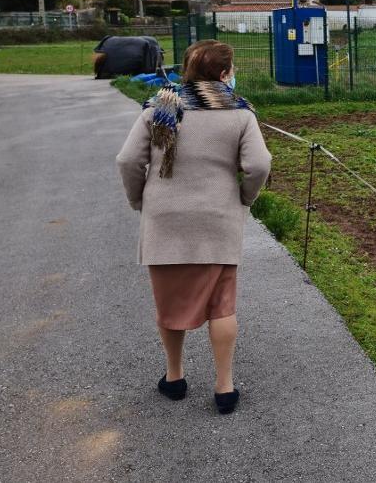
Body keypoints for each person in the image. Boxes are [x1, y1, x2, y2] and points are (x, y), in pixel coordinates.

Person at [116, 40, 271, 414]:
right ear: (223, 74)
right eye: (231, 70)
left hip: (164, 222)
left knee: (169, 304)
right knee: (222, 307)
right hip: (217, 223)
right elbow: (259, 165)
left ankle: (174, 378)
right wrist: (244, 199)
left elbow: (127, 161)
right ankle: (224, 388)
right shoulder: (240, 113)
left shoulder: (159, 108)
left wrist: (141, 201)